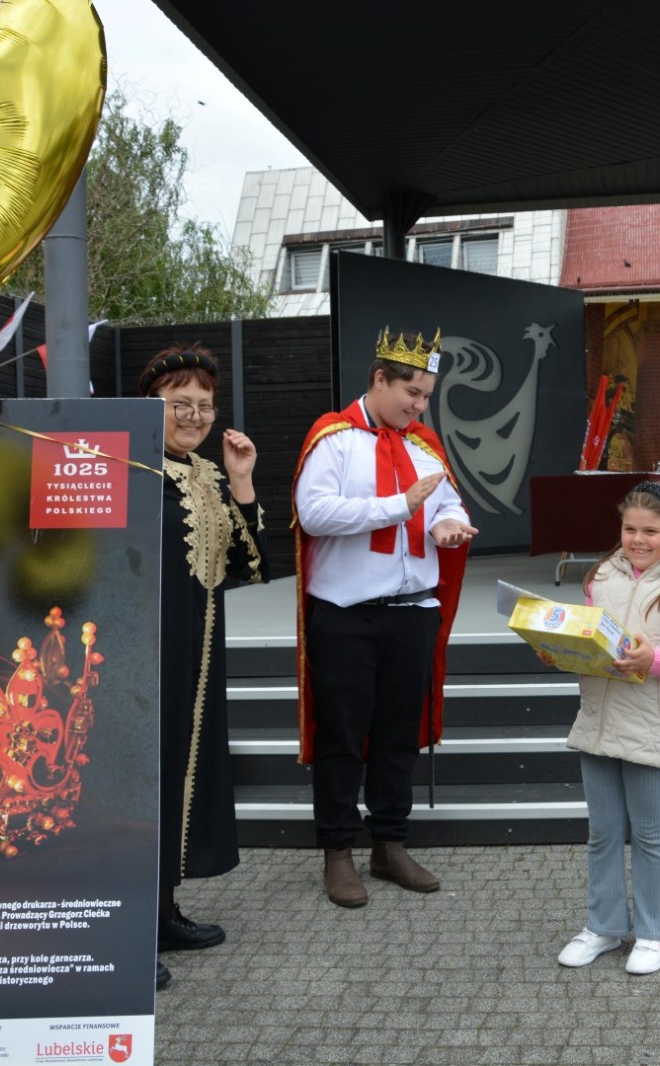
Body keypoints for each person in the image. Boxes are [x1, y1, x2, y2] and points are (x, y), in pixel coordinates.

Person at [293, 328, 477, 908]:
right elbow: (313, 513)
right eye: (411, 393)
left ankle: (390, 844)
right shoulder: (333, 438)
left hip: (413, 611)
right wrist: (402, 506)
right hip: (345, 614)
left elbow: (446, 501)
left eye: (426, 396)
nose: (419, 406)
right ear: (379, 379)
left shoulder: (424, 446)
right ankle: (338, 852)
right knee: (343, 736)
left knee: (399, 734)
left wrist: (448, 523)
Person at [556, 481, 660, 976]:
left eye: (651, 531)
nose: (638, 539)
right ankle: (604, 926)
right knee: (602, 834)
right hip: (599, 721)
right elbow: (591, 639)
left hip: (653, 726)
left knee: (650, 835)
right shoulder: (600, 575)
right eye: (630, 528)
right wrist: (561, 650)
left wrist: (656, 660)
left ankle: (654, 933)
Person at [141, 343, 269, 991]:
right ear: (149, 407)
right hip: (140, 656)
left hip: (196, 653)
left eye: (204, 406)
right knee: (143, 784)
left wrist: (241, 480)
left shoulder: (208, 475)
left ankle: (163, 914)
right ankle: (126, 932)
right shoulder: (127, 468)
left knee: (179, 781)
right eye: (179, 404)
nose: (193, 416)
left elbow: (249, 565)